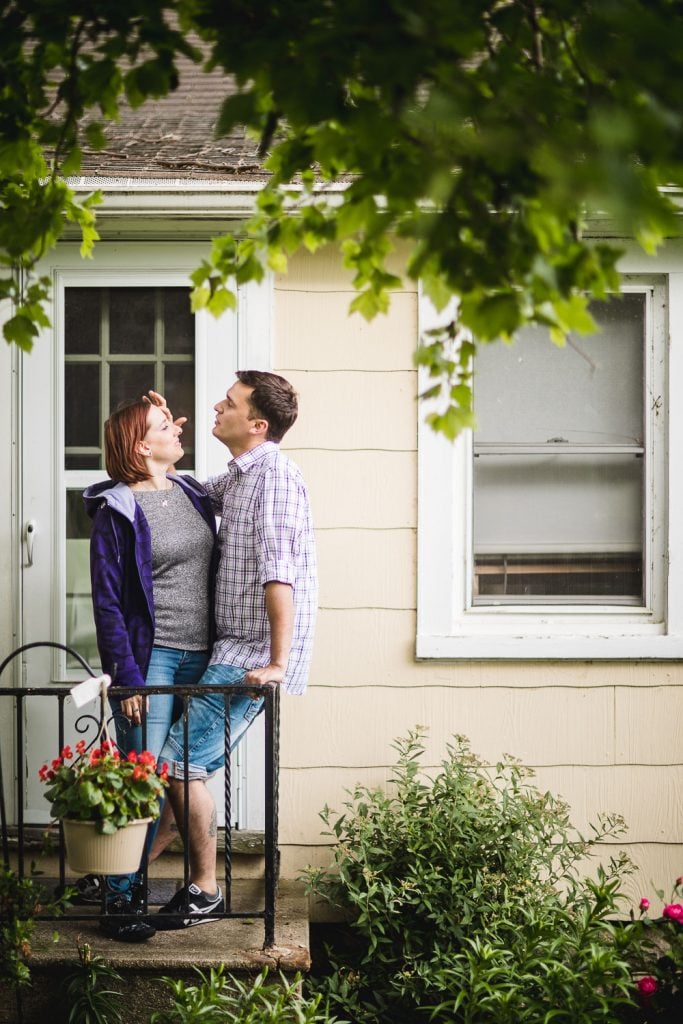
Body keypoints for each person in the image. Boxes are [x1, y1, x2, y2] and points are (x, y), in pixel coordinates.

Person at [149, 370, 318, 930]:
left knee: (178, 762)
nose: (216, 409)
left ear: (258, 423)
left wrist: (274, 661)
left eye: (229, 403)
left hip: (247, 657)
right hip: (230, 648)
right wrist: (158, 445)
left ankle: (203, 889)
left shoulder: (273, 478)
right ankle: (128, 872)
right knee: (179, 763)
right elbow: (192, 492)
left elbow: (279, 574)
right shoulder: (242, 476)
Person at [83, 399, 217, 942]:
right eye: (165, 427)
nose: (177, 429)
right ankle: (119, 903)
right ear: (141, 446)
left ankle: (120, 879)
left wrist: (161, 419)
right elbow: (108, 602)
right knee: (140, 780)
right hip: (151, 658)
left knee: (180, 775)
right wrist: (127, 675)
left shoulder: (188, 491)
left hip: (202, 655)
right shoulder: (117, 510)